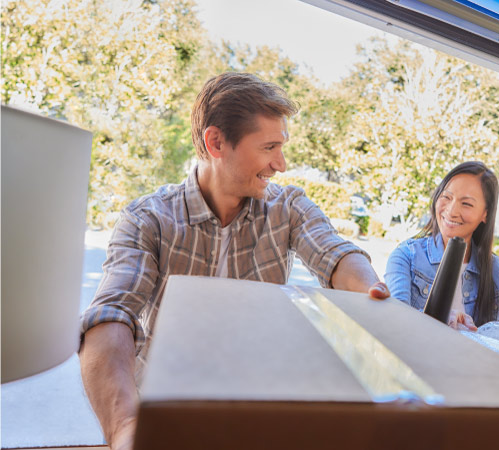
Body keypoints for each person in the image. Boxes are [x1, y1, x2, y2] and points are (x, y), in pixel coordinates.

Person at [79, 72, 389, 450]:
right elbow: (111, 314)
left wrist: (371, 288)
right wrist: (126, 426)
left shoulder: (288, 206)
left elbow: (333, 252)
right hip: (168, 410)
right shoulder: (148, 219)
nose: (281, 163)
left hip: (257, 405)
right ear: (216, 142)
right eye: (269, 147)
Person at [384, 161, 499, 332]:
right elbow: (396, 318)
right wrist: (438, 318)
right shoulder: (407, 256)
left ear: (485, 214)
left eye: (466, 204)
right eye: (446, 197)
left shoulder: (496, 271)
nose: (451, 211)